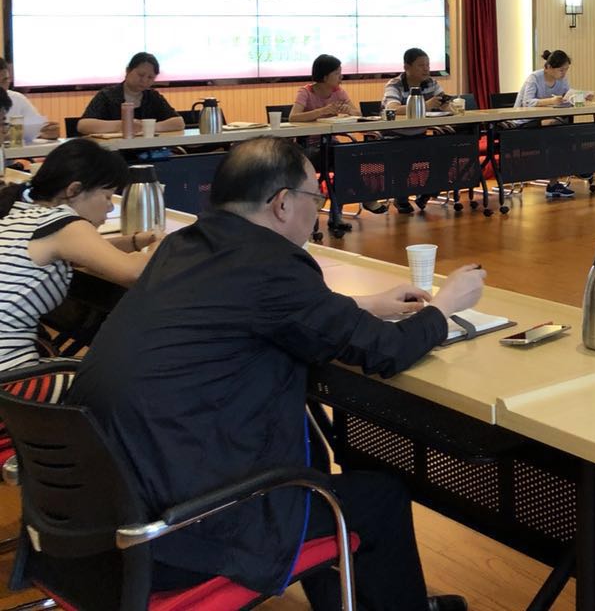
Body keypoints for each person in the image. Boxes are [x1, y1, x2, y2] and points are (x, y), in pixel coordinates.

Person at [66, 137, 482, 611]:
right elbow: (384, 351)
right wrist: (445, 306)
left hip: (102, 510)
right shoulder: (272, 262)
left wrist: (363, 305)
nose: (317, 214)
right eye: (315, 200)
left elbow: (248, 308)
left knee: (311, 458)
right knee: (379, 497)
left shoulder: (184, 244)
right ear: (283, 203)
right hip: (180, 529)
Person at [0, 138, 159, 373]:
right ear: (74, 190)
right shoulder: (64, 222)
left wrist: (136, 241)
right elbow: (135, 273)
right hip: (10, 377)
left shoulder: (22, 214)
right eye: (107, 196)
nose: (110, 207)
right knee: (115, 383)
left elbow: (85, 253)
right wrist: (162, 243)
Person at [517, 50, 594, 199]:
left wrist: (582, 96)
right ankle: (577, 166)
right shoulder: (534, 78)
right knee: (558, 132)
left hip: (547, 122)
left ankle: (560, 179)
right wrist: (551, 101)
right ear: (548, 67)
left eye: (566, 70)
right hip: (525, 122)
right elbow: (527, 102)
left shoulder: (562, 80)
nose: (564, 73)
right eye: (561, 70)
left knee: (562, 132)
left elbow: (567, 96)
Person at [382, 48, 452, 214]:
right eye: (421, 65)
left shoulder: (431, 83)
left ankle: (427, 192)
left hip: (420, 135)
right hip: (395, 137)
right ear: (407, 67)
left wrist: (448, 105)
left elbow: (444, 102)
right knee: (405, 156)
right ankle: (401, 198)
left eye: (428, 65)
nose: (426, 69)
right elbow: (392, 109)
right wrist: (425, 105)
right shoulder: (395, 84)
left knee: (446, 152)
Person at [76, 52, 185, 136]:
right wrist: (124, 125)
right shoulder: (107, 95)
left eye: (150, 77)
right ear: (128, 71)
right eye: (140, 75)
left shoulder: (152, 96)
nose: (144, 80)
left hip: (148, 150)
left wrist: (147, 127)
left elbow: (179, 122)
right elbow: (83, 125)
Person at [0, 57, 59, 142]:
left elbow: (37, 131)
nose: (2, 87)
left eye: (5, 80)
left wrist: (47, 134)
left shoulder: (17, 99)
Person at [291, 53, 360, 122]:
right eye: (337, 73)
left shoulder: (338, 91)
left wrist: (349, 111)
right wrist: (322, 111)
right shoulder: (306, 92)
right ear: (325, 77)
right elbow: (293, 117)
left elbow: (359, 114)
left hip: (331, 129)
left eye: (340, 73)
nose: (341, 77)